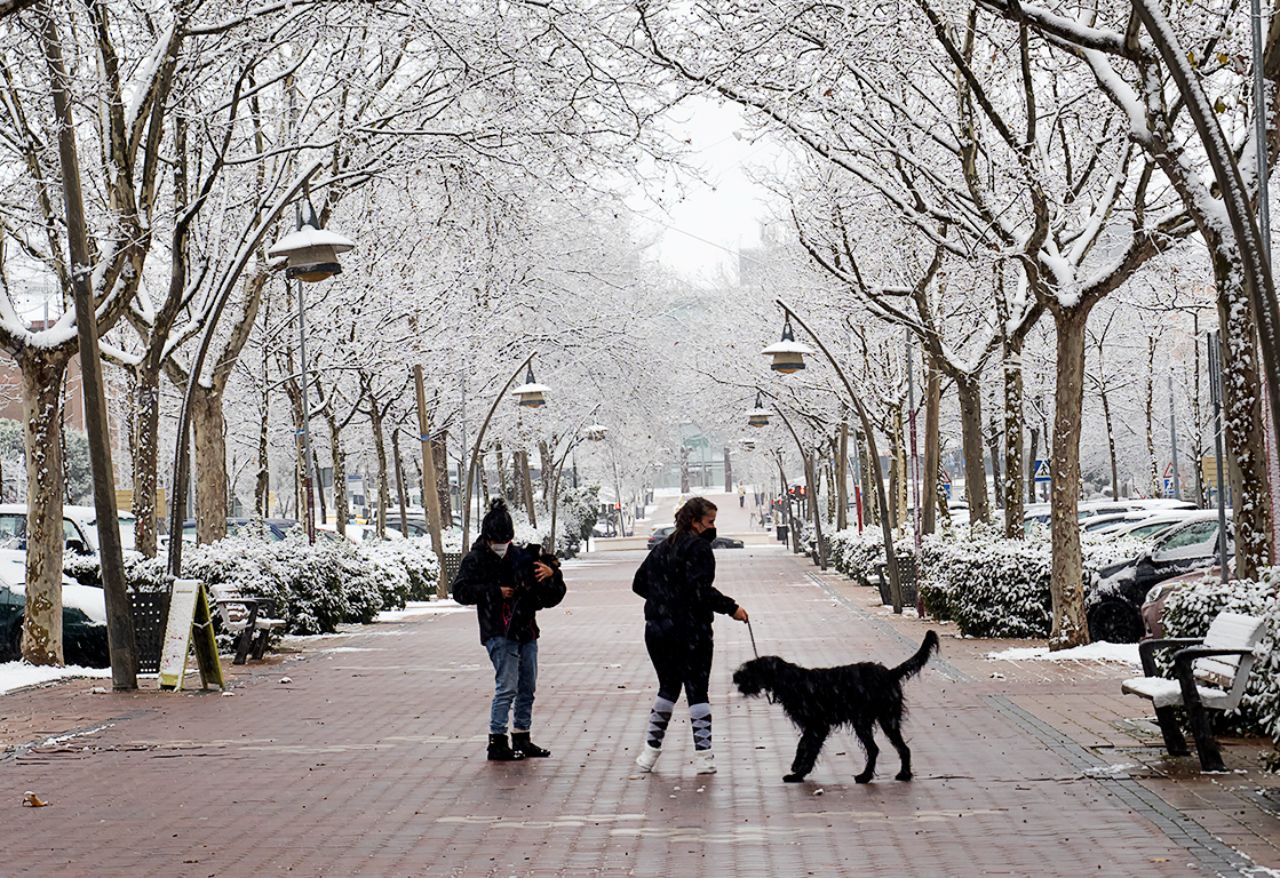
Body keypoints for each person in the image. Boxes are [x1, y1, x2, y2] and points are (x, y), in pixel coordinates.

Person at [631, 496, 748, 775]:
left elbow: (638, 583)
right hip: (691, 631)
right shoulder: (699, 549)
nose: (713, 527)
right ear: (696, 522)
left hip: (658, 630)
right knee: (697, 690)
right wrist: (731, 608)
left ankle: (649, 754)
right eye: (710, 521)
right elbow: (700, 591)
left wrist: (663, 599)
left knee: (667, 688)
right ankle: (704, 756)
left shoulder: (663, 547)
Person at [452, 498, 566, 761]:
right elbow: (460, 591)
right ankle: (497, 739)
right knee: (507, 686)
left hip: (526, 629)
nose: (502, 546)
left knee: (527, 686)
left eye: (506, 540)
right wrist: (494, 592)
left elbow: (551, 596)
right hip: (498, 630)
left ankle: (522, 735)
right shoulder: (476, 559)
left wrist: (552, 575)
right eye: (497, 541)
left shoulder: (521, 558)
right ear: (487, 538)